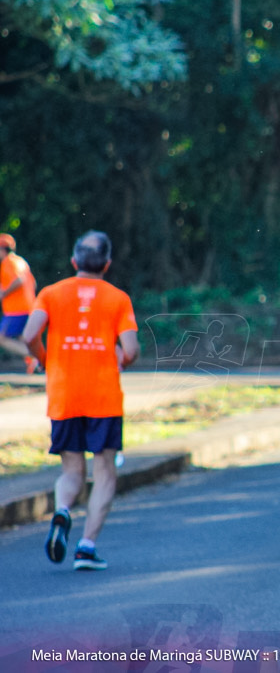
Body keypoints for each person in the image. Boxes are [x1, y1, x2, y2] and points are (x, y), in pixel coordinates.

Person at [22, 231, 140, 571]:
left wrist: (45, 358)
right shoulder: (117, 298)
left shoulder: (50, 293)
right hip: (103, 398)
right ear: (107, 264)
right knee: (104, 472)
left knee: (72, 470)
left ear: (74, 261)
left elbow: (29, 335)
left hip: (64, 395)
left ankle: (61, 511)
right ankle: (86, 547)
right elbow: (130, 349)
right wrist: (121, 359)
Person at [0, 233, 40, 374]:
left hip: (17, 309)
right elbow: (32, 283)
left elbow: (19, 280)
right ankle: (36, 361)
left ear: (2, 249)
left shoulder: (8, 263)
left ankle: (36, 357)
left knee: (2, 337)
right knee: (23, 338)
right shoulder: (20, 261)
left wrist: (4, 293)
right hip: (28, 306)